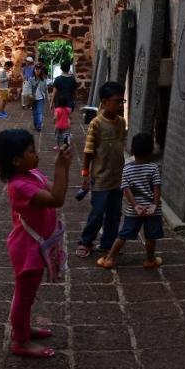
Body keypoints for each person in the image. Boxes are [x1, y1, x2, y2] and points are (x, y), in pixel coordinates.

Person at [0, 127, 72, 359]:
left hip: (35, 245)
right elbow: (57, 199)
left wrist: (61, 169)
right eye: (31, 151)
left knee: (29, 295)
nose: (36, 155)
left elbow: (53, 190)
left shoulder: (32, 174)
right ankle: (21, 341)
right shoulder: (19, 187)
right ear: (16, 161)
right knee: (24, 297)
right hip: (27, 249)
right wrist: (62, 168)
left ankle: (24, 328)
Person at [76, 81, 127, 259]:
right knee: (97, 212)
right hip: (100, 178)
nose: (120, 105)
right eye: (117, 101)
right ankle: (86, 241)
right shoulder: (96, 124)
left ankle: (108, 243)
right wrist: (85, 174)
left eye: (122, 101)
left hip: (117, 178)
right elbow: (88, 151)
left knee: (114, 214)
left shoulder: (121, 122)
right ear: (104, 102)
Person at [97, 133, 163, 270]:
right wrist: (154, 205)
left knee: (123, 234)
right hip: (152, 209)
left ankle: (109, 259)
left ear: (132, 150)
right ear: (151, 151)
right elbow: (157, 188)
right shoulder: (153, 168)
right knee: (150, 236)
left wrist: (136, 205)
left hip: (134, 209)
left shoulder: (127, 169)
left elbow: (126, 190)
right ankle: (150, 260)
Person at [50, 61, 77, 149]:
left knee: (59, 118)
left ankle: (58, 138)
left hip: (59, 102)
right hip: (69, 102)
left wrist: (51, 102)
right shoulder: (72, 79)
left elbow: (54, 92)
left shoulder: (58, 79)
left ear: (61, 68)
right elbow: (74, 93)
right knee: (68, 119)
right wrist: (74, 101)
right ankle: (67, 136)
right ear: (69, 68)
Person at [30, 66, 47, 132]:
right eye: (36, 69)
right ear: (34, 70)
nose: (37, 71)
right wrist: (30, 95)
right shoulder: (31, 79)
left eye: (39, 69)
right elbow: (29, 88)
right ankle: (35, 125)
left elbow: (45, 89)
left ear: (41, 71)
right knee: (34, 113)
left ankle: (39, 126)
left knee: (40, 112)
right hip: (33, 98)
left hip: (40, 98)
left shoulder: (43, 80)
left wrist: (47, 97)